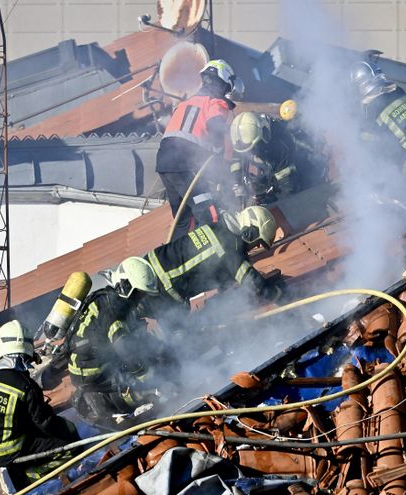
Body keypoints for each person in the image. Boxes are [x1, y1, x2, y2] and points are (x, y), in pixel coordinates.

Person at [66, 258, 173, 429]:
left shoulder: (108, 297)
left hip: (93, 361)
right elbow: (125, 349)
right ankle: (105, 402)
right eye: (139, 294)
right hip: (93, 373)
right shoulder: (114, 311)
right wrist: (148, 378)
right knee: (144, 387)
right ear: (126, 286)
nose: (140, 299)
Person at [0, 321, 80, 488]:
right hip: (10, 454)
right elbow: (45, 424)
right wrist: (67, 428)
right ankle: (30, 477)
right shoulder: (25, 386)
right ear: (26, 353)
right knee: (70, 444)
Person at [156, 59, 240, 237]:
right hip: (184, 162)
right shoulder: (214, 102)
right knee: (209, 212)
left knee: (184, 220)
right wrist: (224, 164)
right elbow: (216, 130)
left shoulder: (185, 103)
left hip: (164, 162)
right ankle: (214, 251)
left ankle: (179, 252)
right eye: (227, 87)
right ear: (223, 83)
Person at [138, 205, 284, 308]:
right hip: (163, 288)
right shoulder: (229, 245)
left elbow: (212, 266)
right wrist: (279, 295)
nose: (255, 248)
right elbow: (253, 282)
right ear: (249, 232)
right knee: (185, 339)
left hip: (145, 267)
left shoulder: (217, 226)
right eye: (258, 243)